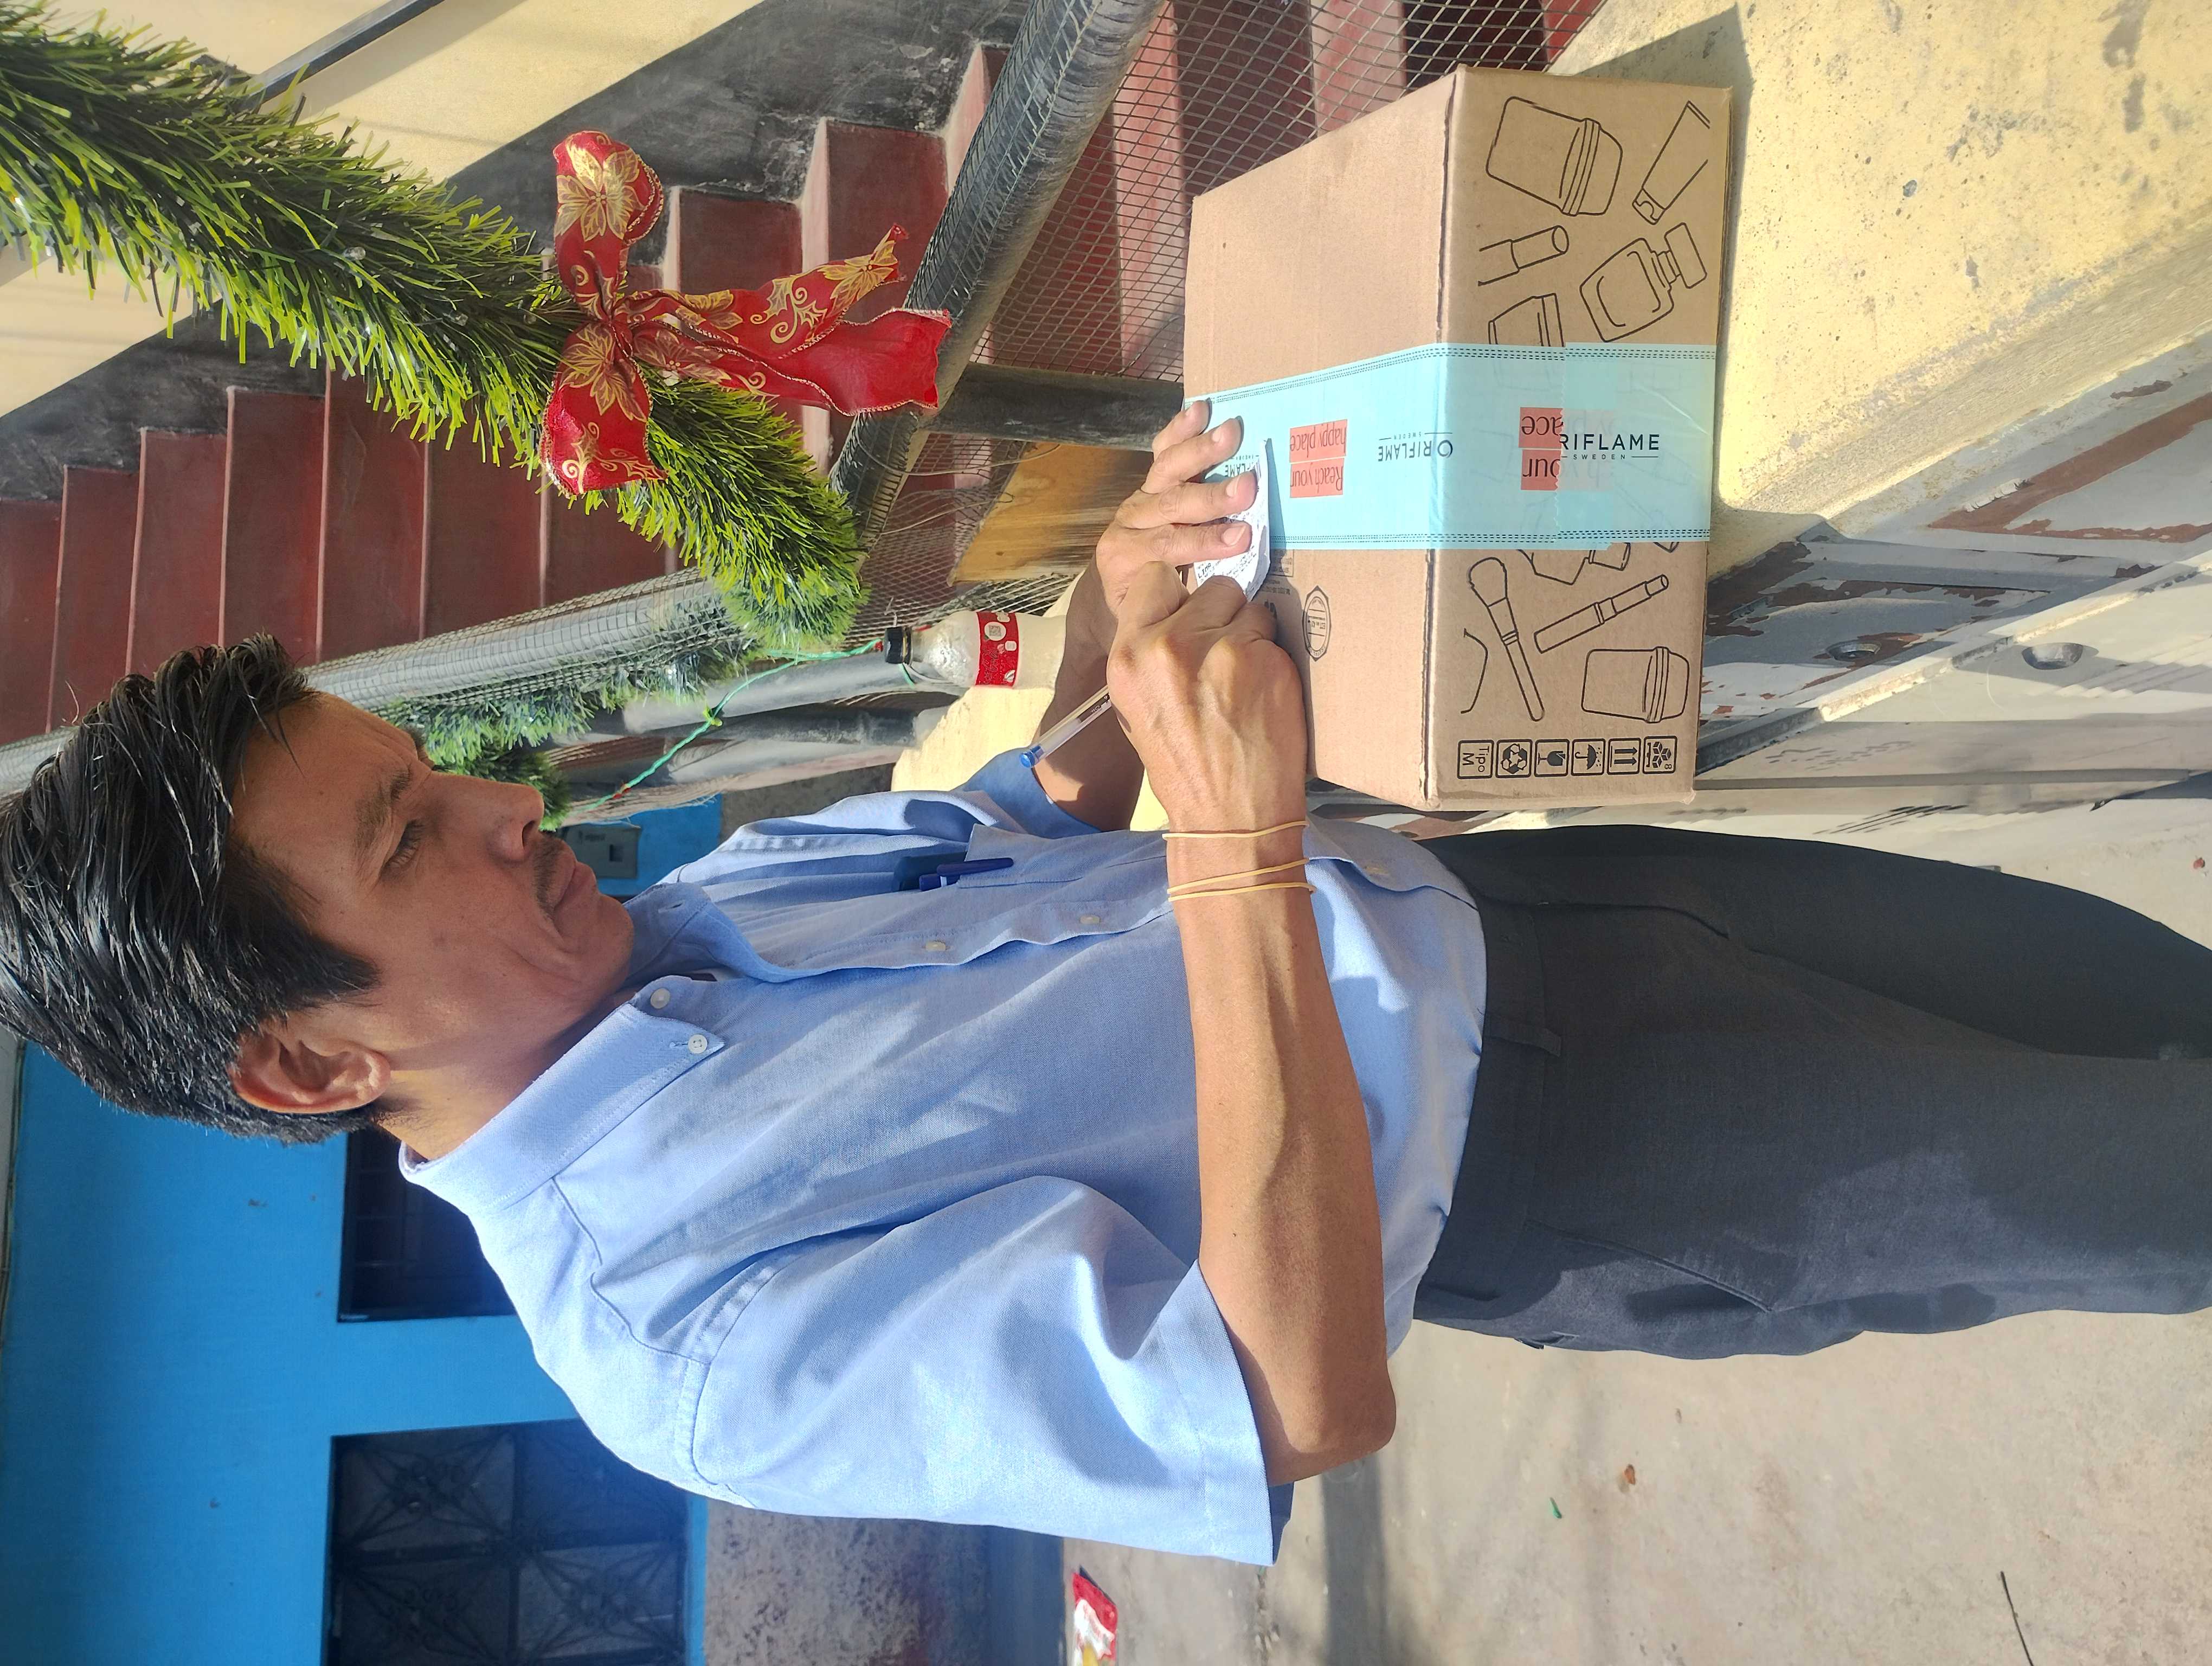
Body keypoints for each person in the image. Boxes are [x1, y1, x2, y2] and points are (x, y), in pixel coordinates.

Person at [2, 403, 2207, 1565]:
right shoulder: (683, 1339)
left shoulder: (683, 922)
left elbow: (1027, 822)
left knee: (2126, 988)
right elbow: (1285, 1396)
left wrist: (1114, 622)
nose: (507, 806)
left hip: (1552, 915)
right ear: (308, 1062)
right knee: (2159, 1170)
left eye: (434, 771)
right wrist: (1239, 838)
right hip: (1594, 1157)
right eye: (410, 840)